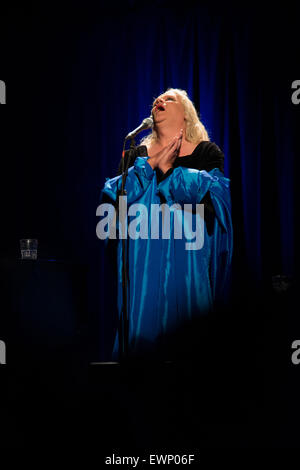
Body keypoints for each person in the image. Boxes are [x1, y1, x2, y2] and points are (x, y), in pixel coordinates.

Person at [101, 88, 233, 360]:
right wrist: (150, 164)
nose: (159, 101)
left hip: (187, 270)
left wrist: (168, 170)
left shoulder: (207, 153)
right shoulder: (134, 155)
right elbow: (116, 212)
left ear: (186, 116)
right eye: (156, 100)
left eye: (169, 99)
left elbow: (211, 210)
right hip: (142, 272)